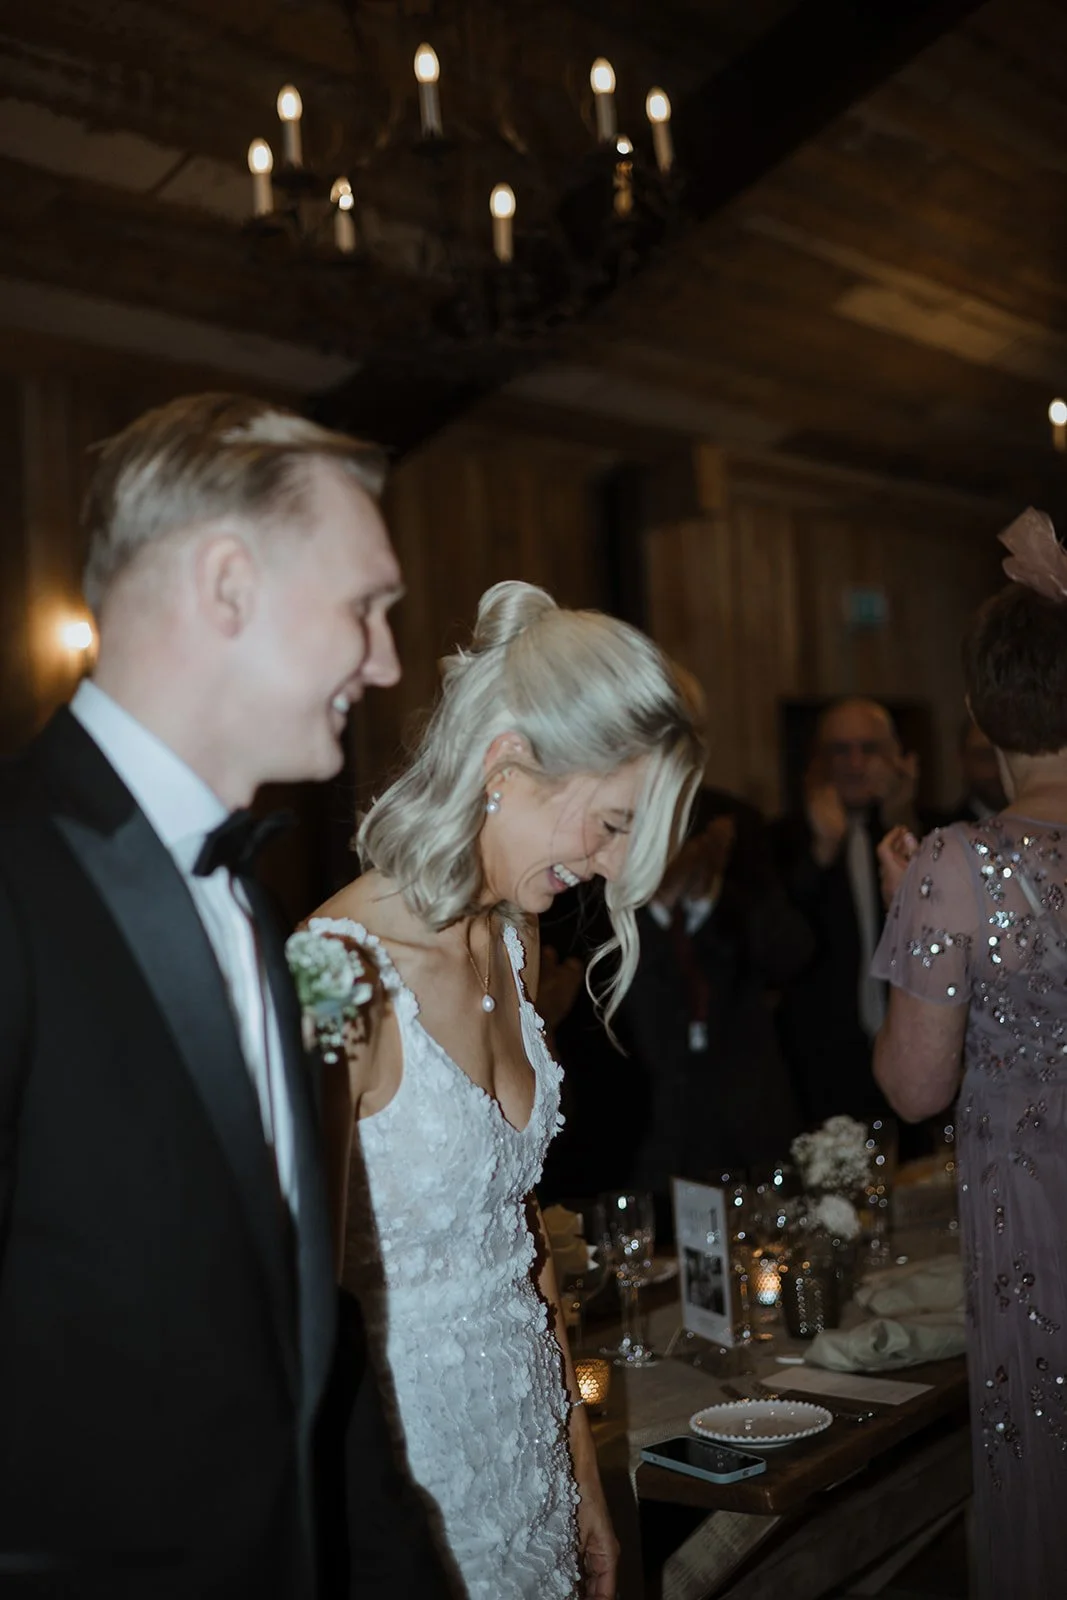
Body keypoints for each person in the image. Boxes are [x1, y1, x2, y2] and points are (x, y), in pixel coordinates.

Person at [0, 393, 447, 1599]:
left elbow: (302, 1324)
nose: (387, 658)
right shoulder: (16, 875)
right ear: (228, 583)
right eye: (365, 606)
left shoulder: (250, 896)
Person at [306, 581, 704, 1600]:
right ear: (506, 763)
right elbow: (295, 1305)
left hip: (528, 1450)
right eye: (610, 824)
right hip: (408, 1484)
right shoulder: (333, 970)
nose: (611, 868)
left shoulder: (514, 941)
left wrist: (578, 1472)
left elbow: (515, 1233)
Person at [872, 507, 1067, 1599]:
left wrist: (910, 910)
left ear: (974, 711)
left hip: (1033, 1245)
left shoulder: (959, 863)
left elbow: (911, 1084)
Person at [614, 785, 810, 1239]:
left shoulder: (734, 825)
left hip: (751, 1133)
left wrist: (711, 892)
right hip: (652, 1147)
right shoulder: (609, 855)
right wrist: (662, 902)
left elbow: (794, 952)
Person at [773, 698, 922, 1128]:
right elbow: (780, 952)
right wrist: (822, 853)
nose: (855, 764)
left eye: (870, 748)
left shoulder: (931, 834)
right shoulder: (782, 842)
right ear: (817, 763)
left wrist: (906, 823)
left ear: (898, 760)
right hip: (819, 1070)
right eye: (839, 750)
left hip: (912, 1051)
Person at [945, 717, 1008, 824]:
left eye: (1008, 757)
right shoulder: (941, 834)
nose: (998, 767)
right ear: (962, 760)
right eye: (985, 756)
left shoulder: (1043, 828)